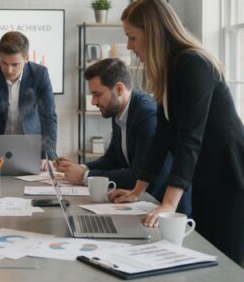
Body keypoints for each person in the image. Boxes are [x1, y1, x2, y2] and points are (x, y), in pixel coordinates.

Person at [108, 0, 244, 265]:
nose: (129, 45)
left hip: (234, 177)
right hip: (207, 175)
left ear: (153, 32)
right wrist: (137, 189)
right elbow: (163, 136)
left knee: (225, 263)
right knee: (203, 256)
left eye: (132, 37)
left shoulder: (193, 64)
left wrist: (168, 204)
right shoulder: (170, 69)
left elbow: (189, 139)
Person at [54, 58, 191, 214]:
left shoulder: (146, 114)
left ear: (119, 89)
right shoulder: (118, 111)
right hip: (140, 201)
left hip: (161, 206)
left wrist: (84, 176)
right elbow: (112, 158)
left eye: (97, 94)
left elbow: (138, 174)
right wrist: (82, 167)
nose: (93, 101)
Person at [0, 31, 57, 167]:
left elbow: (48, 117)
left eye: (15, 64)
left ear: (26, 58)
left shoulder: (40, 74)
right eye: (4, 63)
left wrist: (49, 156)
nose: (9, 70)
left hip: (31, 147)